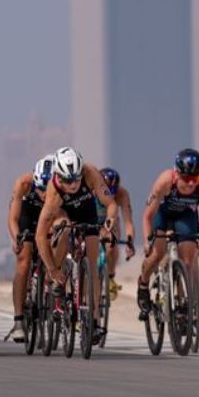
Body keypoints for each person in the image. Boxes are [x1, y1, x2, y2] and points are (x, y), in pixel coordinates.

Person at [34, 147, 117, 346]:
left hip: (87, 212)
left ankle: (94, 320)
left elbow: (111, 204)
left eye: (76, 180)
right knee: (63, 228)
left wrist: (110, 220)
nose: (72, 185)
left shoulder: (90, 173)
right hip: (63, 213)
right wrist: (52, 270)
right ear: (58, 176)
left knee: (92, 265)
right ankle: (59, 279)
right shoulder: (54, 193)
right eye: (67, 181)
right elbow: (39, 236)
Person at [135, 149, 199, 336]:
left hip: (185, 216)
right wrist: (148, 240)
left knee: (188, 261)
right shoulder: (165, 181)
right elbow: (147, 216)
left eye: (195, 179)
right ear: (176, 173)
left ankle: (182, 308)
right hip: (162, 214)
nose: (190, 184)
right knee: (157, 254)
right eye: (186, 178)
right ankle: (143, 284)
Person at [5, 155, 53, 342]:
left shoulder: (62, 187)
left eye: (47, 190)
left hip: (49, 217)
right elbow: (13, 219)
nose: (44, 194)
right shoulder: (23, 184)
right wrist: (17, 238)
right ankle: (18, 320)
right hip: (28, 215)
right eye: (40, 189)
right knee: (24, 259)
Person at [96, 167, 136, 300]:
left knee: (112, 244)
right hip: (92, 219)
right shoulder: (91, 189)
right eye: (108, 192)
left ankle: (110, 276)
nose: (111, 196)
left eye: (113, 192)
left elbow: (128, 221)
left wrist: (130, 241)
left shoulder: (122, 194)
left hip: (110, 221)